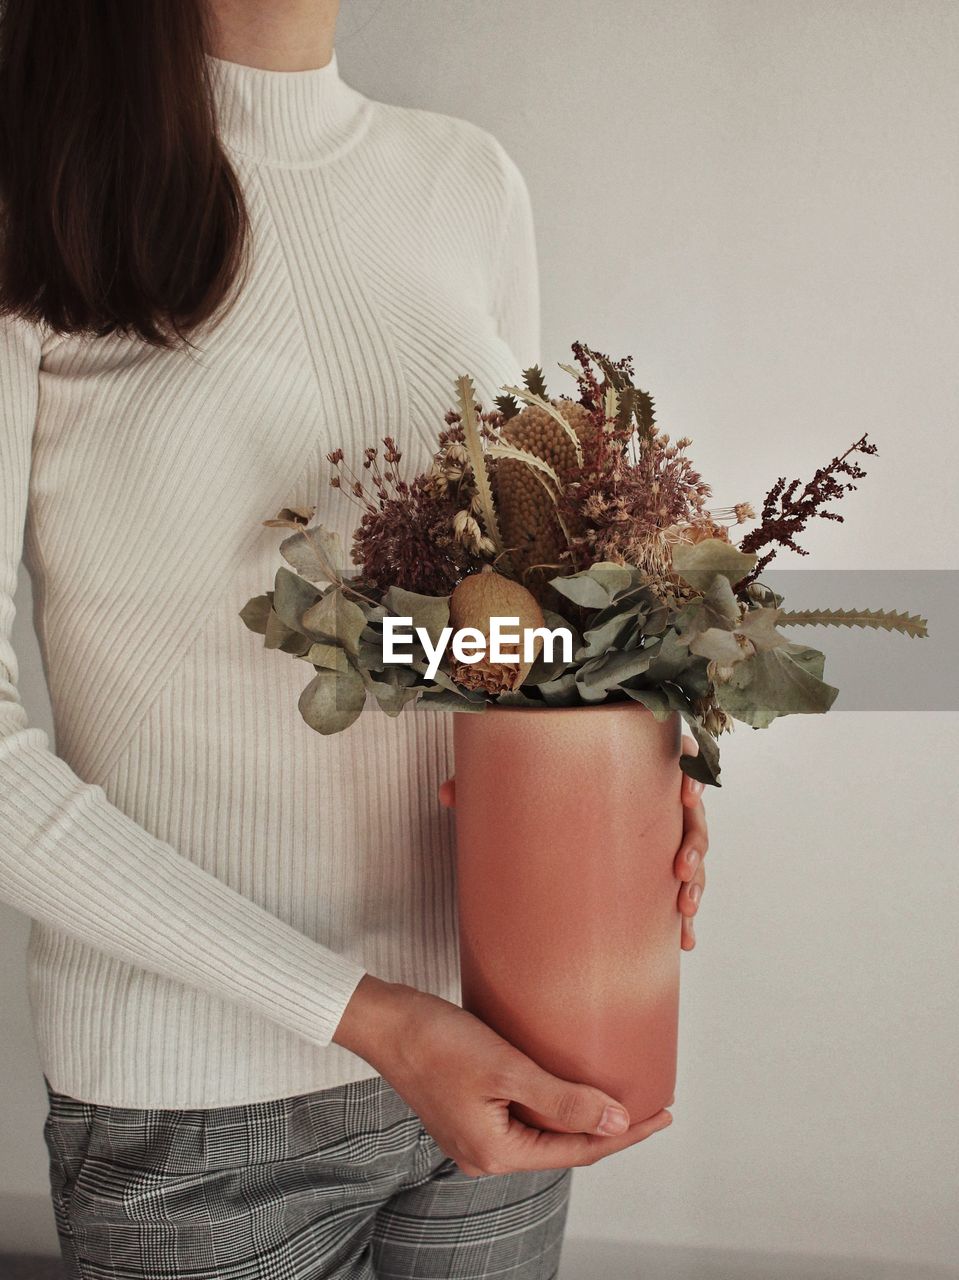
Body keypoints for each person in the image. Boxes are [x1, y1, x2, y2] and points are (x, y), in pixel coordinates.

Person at [0, 1, 709, 1276]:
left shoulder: (465, 182)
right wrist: (372, 1019)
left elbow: (513, 625)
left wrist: (629, 759)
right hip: (198, 1120)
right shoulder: (29, 190)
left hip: (503, 1045)